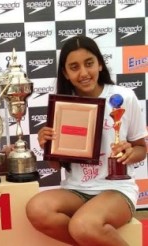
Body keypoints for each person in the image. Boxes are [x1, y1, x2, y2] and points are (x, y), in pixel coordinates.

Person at [25, 35, 147, 246]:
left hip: (116, 191)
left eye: (89, 63)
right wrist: (47, 146)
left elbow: (141, 149)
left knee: (83, 226)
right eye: (74, 67)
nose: (83, 73)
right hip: (76, 189)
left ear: (99, 63)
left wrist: (129, 152)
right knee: (37, 209)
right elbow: (56, 165)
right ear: (66, 73)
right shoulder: (64, 105)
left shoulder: (123, 97)